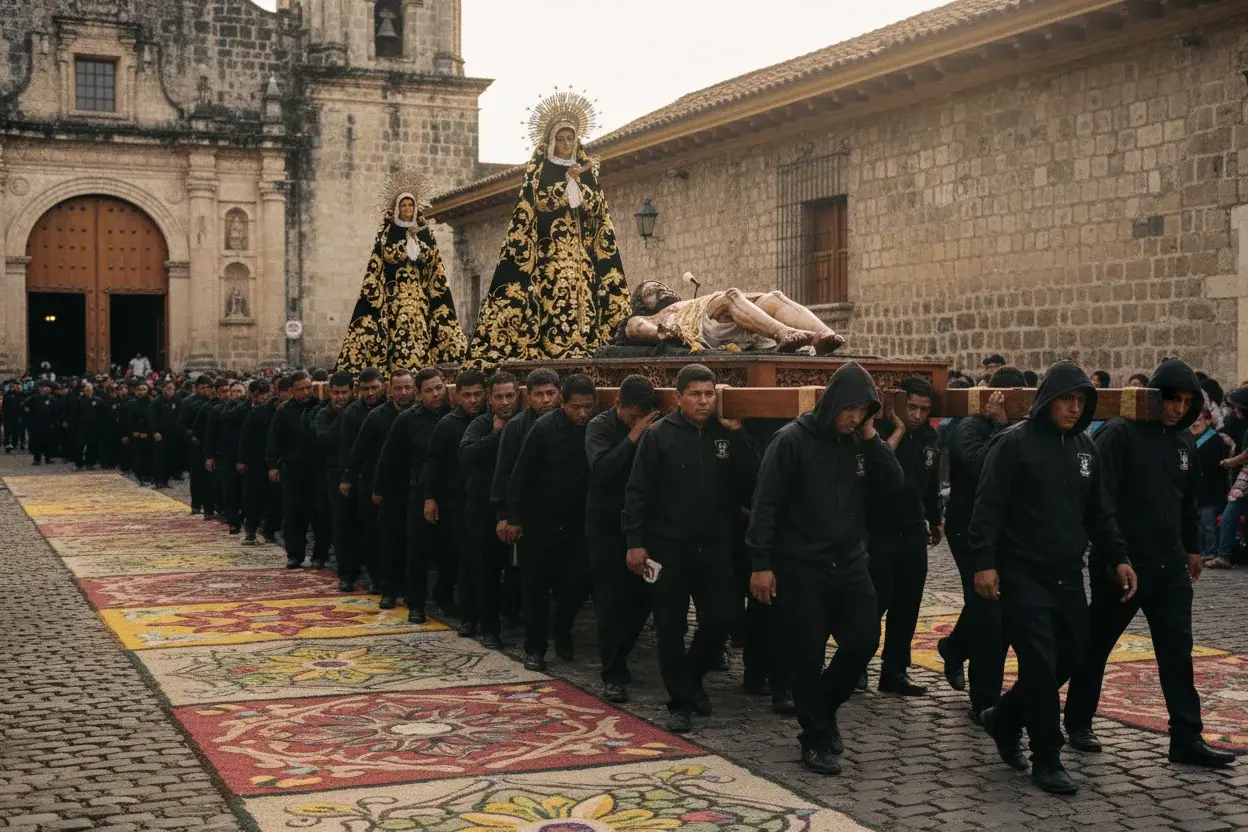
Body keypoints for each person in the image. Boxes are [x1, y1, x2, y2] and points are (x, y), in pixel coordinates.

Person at [970, 360, 1138, 795]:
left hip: (1067, 575)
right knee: (1040, 664)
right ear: (1048, 399)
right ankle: (1047, 756)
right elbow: (987, 509)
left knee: (1074, 654)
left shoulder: (1085, 448)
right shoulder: (1013, 443)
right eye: (1066, 399)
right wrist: (983, 562)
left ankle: (1004, 716)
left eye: (1081, 401)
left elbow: (1099, 511)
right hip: (1022, 574)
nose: (1074, 408)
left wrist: (1119, 557)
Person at [1063, 358, 1234, 768]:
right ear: (1155, 397)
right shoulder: (1119, 434)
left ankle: (1186, 736)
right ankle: (1079, 720)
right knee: (1097, 644)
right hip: (1124, 564)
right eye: (1172, 399)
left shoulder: (1184, 441)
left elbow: (1187, 500)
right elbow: (1099, 501)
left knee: (1177, 651)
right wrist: (1113, 556)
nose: (1178, 408)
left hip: (1169, 565)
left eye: (1187, 402)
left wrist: (1192, 548)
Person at [746, 362, 903, 773]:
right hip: (801, 568)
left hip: (850, 563)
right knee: (806, 656)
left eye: (863, 411)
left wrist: (871, 436)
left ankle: (824, 708)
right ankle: (815, 738)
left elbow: (894, 485)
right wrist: (760, 563)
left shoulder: (860, 442)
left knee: (864, 640)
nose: (854, 417)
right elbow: (765, 506)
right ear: (832, 402)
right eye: (850, 409)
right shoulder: (790, 441)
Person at [624, 364, 760, 732]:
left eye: (709, 394)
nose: (703, 401)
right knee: (670, 628)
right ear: (679, 397)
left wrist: (737, 434)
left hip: (715, 547)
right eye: (695, 394)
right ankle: (681, 702)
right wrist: (634, 542)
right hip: (667, 549)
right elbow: (637, 492)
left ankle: (691, 676)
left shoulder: (724, 432)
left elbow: (752, 481)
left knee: (721, 619)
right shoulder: (658, 435)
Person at [469, 92, 629, 364]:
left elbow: (597, 209)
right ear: (552, 141)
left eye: (570, 139)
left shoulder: (586, 170)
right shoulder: (541, 172)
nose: (566, 144)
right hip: (549, 256)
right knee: (553, 299)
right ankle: (551, 351)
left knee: (585, 301)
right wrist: (567, 184)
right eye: (561, 139)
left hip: (581, 257)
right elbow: (538, 204)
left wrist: (580, 184)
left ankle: (586, 349)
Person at [937, 366, 1028, 723]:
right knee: (988, 611)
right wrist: (1000, 427)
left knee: (990, 603)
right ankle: (984, 701)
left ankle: (954, 647)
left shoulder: (1019, 429)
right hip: (968, 528)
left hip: (1002, 531)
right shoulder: (970, 426)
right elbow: (976, 467)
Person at [507, 374, 598, 671]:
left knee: (577, 584)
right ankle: (535, 648)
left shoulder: (596, 429)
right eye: (576, 407)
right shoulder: (543, 428)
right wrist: (513, 517)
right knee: (535, 588)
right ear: (563, 403)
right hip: (539, 522)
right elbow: (520, 475)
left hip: (577, 525)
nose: (582, 414)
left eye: (587, 407)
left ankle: (561, 626)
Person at [862, 377, 942, 696]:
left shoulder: (931, 438)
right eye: (912, 407)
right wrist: (897, 430)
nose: (917, 415)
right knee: (875, 602)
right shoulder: (878, 433)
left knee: (907, 605)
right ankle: (855, 663)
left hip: (912, 532)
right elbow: (876, 468)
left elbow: (930, 482)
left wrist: (935, 519)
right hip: (879, 531)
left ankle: (895, 670)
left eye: (924, 409)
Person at [336, 182, 467, 375]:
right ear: (397, 208)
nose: (407, 209)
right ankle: (396, 372)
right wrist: (405, 240)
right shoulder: (389, 232)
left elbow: (433, 261)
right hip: (395, 297)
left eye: (410, 205)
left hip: (420, 298)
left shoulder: (424, 232)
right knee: (398, 332)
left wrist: (417, 241)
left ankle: (422, 371)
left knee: (422, 331)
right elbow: (384, 257)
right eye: (404, 205)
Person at [585, 374, 659, 703]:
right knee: (610, 602)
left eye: (642, 416)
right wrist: (633, 436)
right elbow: (602, 471)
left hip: (642, 525)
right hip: (606, 527)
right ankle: (612, 673)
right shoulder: (599, 427)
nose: (637, 420)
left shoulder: (655, 426)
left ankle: (622, 653)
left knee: (644, 598)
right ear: (618, 404)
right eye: (632, 415)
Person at [375, 367, 447, 621]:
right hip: (414, 491)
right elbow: (388, 458)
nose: (436, 395)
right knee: (416, 550)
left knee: (447, 551)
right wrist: (380, 490)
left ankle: (444, 597)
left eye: (439, 388)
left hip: (447, 492)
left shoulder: (452, 415)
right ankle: (414, 602)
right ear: (419, 394)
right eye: (429, 390)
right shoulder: (407, 419)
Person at [491, 368, 562, 622]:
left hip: (559, 513)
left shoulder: (567, 422)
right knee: (524, 573)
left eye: (550, 393)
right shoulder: (516, 427)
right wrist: (505, 515)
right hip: (527, 513)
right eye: (539, 394)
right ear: (529, 397)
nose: (546, 400)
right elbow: (503, 473)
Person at [421, 369, 488, 632]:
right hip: (456, 502)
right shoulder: (448, 425)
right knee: (465, 559)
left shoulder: (491, 419)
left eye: (478, 394)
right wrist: (430, 497)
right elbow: (433, 462)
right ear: (457, 396)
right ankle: (468, 616)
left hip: (486, 500)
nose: (473, 400)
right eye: (467, 395)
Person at [618, 279, 845, 354]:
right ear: (641, 305)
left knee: (772, 298)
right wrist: (666, 333)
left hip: (721, 310)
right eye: (651, 292)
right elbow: (636, 328)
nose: (660, 290)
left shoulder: (683, 301)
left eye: (661, 286)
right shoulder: (652, 317)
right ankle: (784, 333)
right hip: (697, 322)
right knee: (730, 297)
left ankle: (824, 335)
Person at [459, 372, 520, 649]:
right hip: (482, 509)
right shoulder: (480, 424)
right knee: (485, 571)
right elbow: (466, 454)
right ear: (490, 398)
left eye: (510, 396)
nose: (505, 402)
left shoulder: (524, 422)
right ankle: (489, 627)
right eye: (499, 397)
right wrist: (495, 435)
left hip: (516, 508)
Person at [347, 369, 416, 601]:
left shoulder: (418, 414)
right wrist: (350, 478)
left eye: (407, 387)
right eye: (398, 388)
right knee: (382, 539)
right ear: (390, 389)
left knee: (408, 540)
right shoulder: (377, 416)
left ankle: (408, 587)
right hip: (379, 486)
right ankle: (384, 585)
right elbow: (358, 452)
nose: (403, 392)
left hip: (411, 486)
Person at [335, 368, 386, 591]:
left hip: (381, 476)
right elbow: (347, 448)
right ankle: (348, 574)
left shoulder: (389, 409)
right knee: (350, 527)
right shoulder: (352, 413)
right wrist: (347, 477)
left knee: (378, 530)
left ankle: (380, 577)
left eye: (374, 388)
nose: (370, 393)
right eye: (366, 389)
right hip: (359, 476)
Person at [266, 371, 319, 568]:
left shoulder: (320, 407)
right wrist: (272, 465)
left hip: (316, 467)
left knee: (318, 512)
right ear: (292, 391)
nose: (306, 393)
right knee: (293, 513)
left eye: (308, 388)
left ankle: (319, 554)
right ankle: (295, 554)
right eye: (300, 389)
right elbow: (273, 439)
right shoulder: (284, 410)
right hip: (292, 468)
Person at [204, 381, 248, 535]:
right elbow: (210, 434)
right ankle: (232, 521)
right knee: (229, 489)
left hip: (246, 455)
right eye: (233, 391)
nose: (236, 395)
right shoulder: (218, 410)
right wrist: (209, 456)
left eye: (239, 392)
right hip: (226, 455)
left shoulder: (250, 409)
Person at [238, 379, 278, 545]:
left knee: (274, 498)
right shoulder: (256, 412)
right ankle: (251, 530)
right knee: (253, 497)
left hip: (274, 460)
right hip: (256, 460)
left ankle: (270, 530)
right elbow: (246, 437)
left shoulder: (278, 411)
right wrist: (242, 459)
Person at [1191, 408, 1229, 562]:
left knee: (1208, 525)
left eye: (1199, 420)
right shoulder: (1192, 439)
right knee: (1198, 526)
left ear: (1208, 421)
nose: (1195, 424)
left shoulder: (1214, 440)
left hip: (1210, 492)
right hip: (1198, 492)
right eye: (1192, 421)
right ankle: (1200, 551)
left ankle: (1210, 551)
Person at [183, 375, 218, 517]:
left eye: (208, 388)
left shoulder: (214, 402)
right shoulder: (188, 403)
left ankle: (210, 507)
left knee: (210, 477)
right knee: (197, 476)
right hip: (196, 444)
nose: (206, 390)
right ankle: (196, 504)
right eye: (203, 388)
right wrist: (190, 436)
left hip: (211, 443)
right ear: (196, 388)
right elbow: (181, 423)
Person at [149, 380, 182, 489]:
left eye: (173, 389)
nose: (171, 391)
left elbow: (179, 416)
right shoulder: (156, 402)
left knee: (170, 457)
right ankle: (158, 480)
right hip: (160, 434)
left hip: (172, 434)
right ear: (163, 389)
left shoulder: (177, 400)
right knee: (159, 458)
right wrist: (155, 431)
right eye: (168, 388)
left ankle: (166, 480)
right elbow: (152, 418)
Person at [123, 382, 154, 484]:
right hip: (136, 436)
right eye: (139, 390)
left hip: (149, 435)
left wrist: (149, 433)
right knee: (138, 458)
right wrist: (131, 433)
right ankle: (140, 477)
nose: (141, 392)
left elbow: (154, 420)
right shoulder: (131, 404)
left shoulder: (152, 404)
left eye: (144, 389)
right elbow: (126, 421)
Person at [72, 381, 104, 470]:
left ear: (92, 390)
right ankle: (78, 464)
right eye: (86, 390)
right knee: (79, 446)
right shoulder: (79, 400)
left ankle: (90, 463)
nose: (88, 392)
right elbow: (75, 414)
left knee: (92, 446)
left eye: (90, 390)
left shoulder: (99, 400)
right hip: (82, 428)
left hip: (94, 428)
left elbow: (102, 414)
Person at [3, 379, 24, 454]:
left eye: (14, 387)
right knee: (7, 432)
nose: (13, 388)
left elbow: (21, 402)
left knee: (15, 431)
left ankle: (14, 444)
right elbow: (6, 404)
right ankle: (7, 445)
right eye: (12, 387)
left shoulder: (18, 394)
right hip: (8, 416)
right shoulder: (6, 395)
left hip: (16, 416)